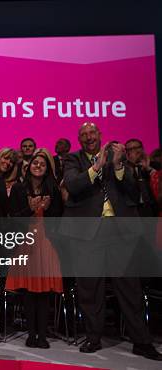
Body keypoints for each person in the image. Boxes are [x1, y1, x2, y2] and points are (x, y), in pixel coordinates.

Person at [59, 122, 161, 361]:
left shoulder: (119, 157)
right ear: (79, 139)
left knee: (130, 288)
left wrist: (116, 165)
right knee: (89, 289)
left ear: (100, 135)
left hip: (119, 231)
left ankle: (142, 342)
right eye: (83, 135)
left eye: (92, 133)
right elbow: (73, 186)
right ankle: (93, 338)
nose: (88, 137)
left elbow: (134, 190)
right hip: (87, 233)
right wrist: (97, 166)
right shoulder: (73, 159)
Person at [5, 148, 63, 349]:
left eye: (43, 163)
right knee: (29, 291)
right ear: (29, 167)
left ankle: (43, 335)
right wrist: (30, 209)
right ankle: (31, 334)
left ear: (47, 168)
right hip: (26, 241)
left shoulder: (53, 189)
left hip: (47, 242)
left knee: (44, 291)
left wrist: (47, 210)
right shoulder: (20, 188)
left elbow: (59, 220)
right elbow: (13, 219)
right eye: (35, 163)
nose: (38, 166)